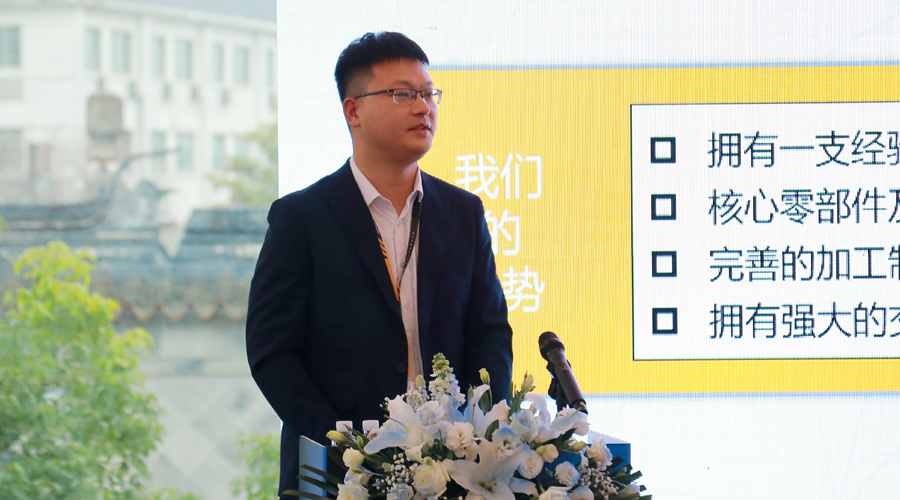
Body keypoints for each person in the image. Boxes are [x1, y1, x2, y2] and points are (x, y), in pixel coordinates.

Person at [245, 32, 513, 499]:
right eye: (403, 94)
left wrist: (475, 435)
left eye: (429, 94)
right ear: (353, 111)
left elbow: (489, 334)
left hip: (453, 473)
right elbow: (272, 352)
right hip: (336, 475)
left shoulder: (462, 212)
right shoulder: (302, 217)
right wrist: (348, 447)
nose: (423, 108)